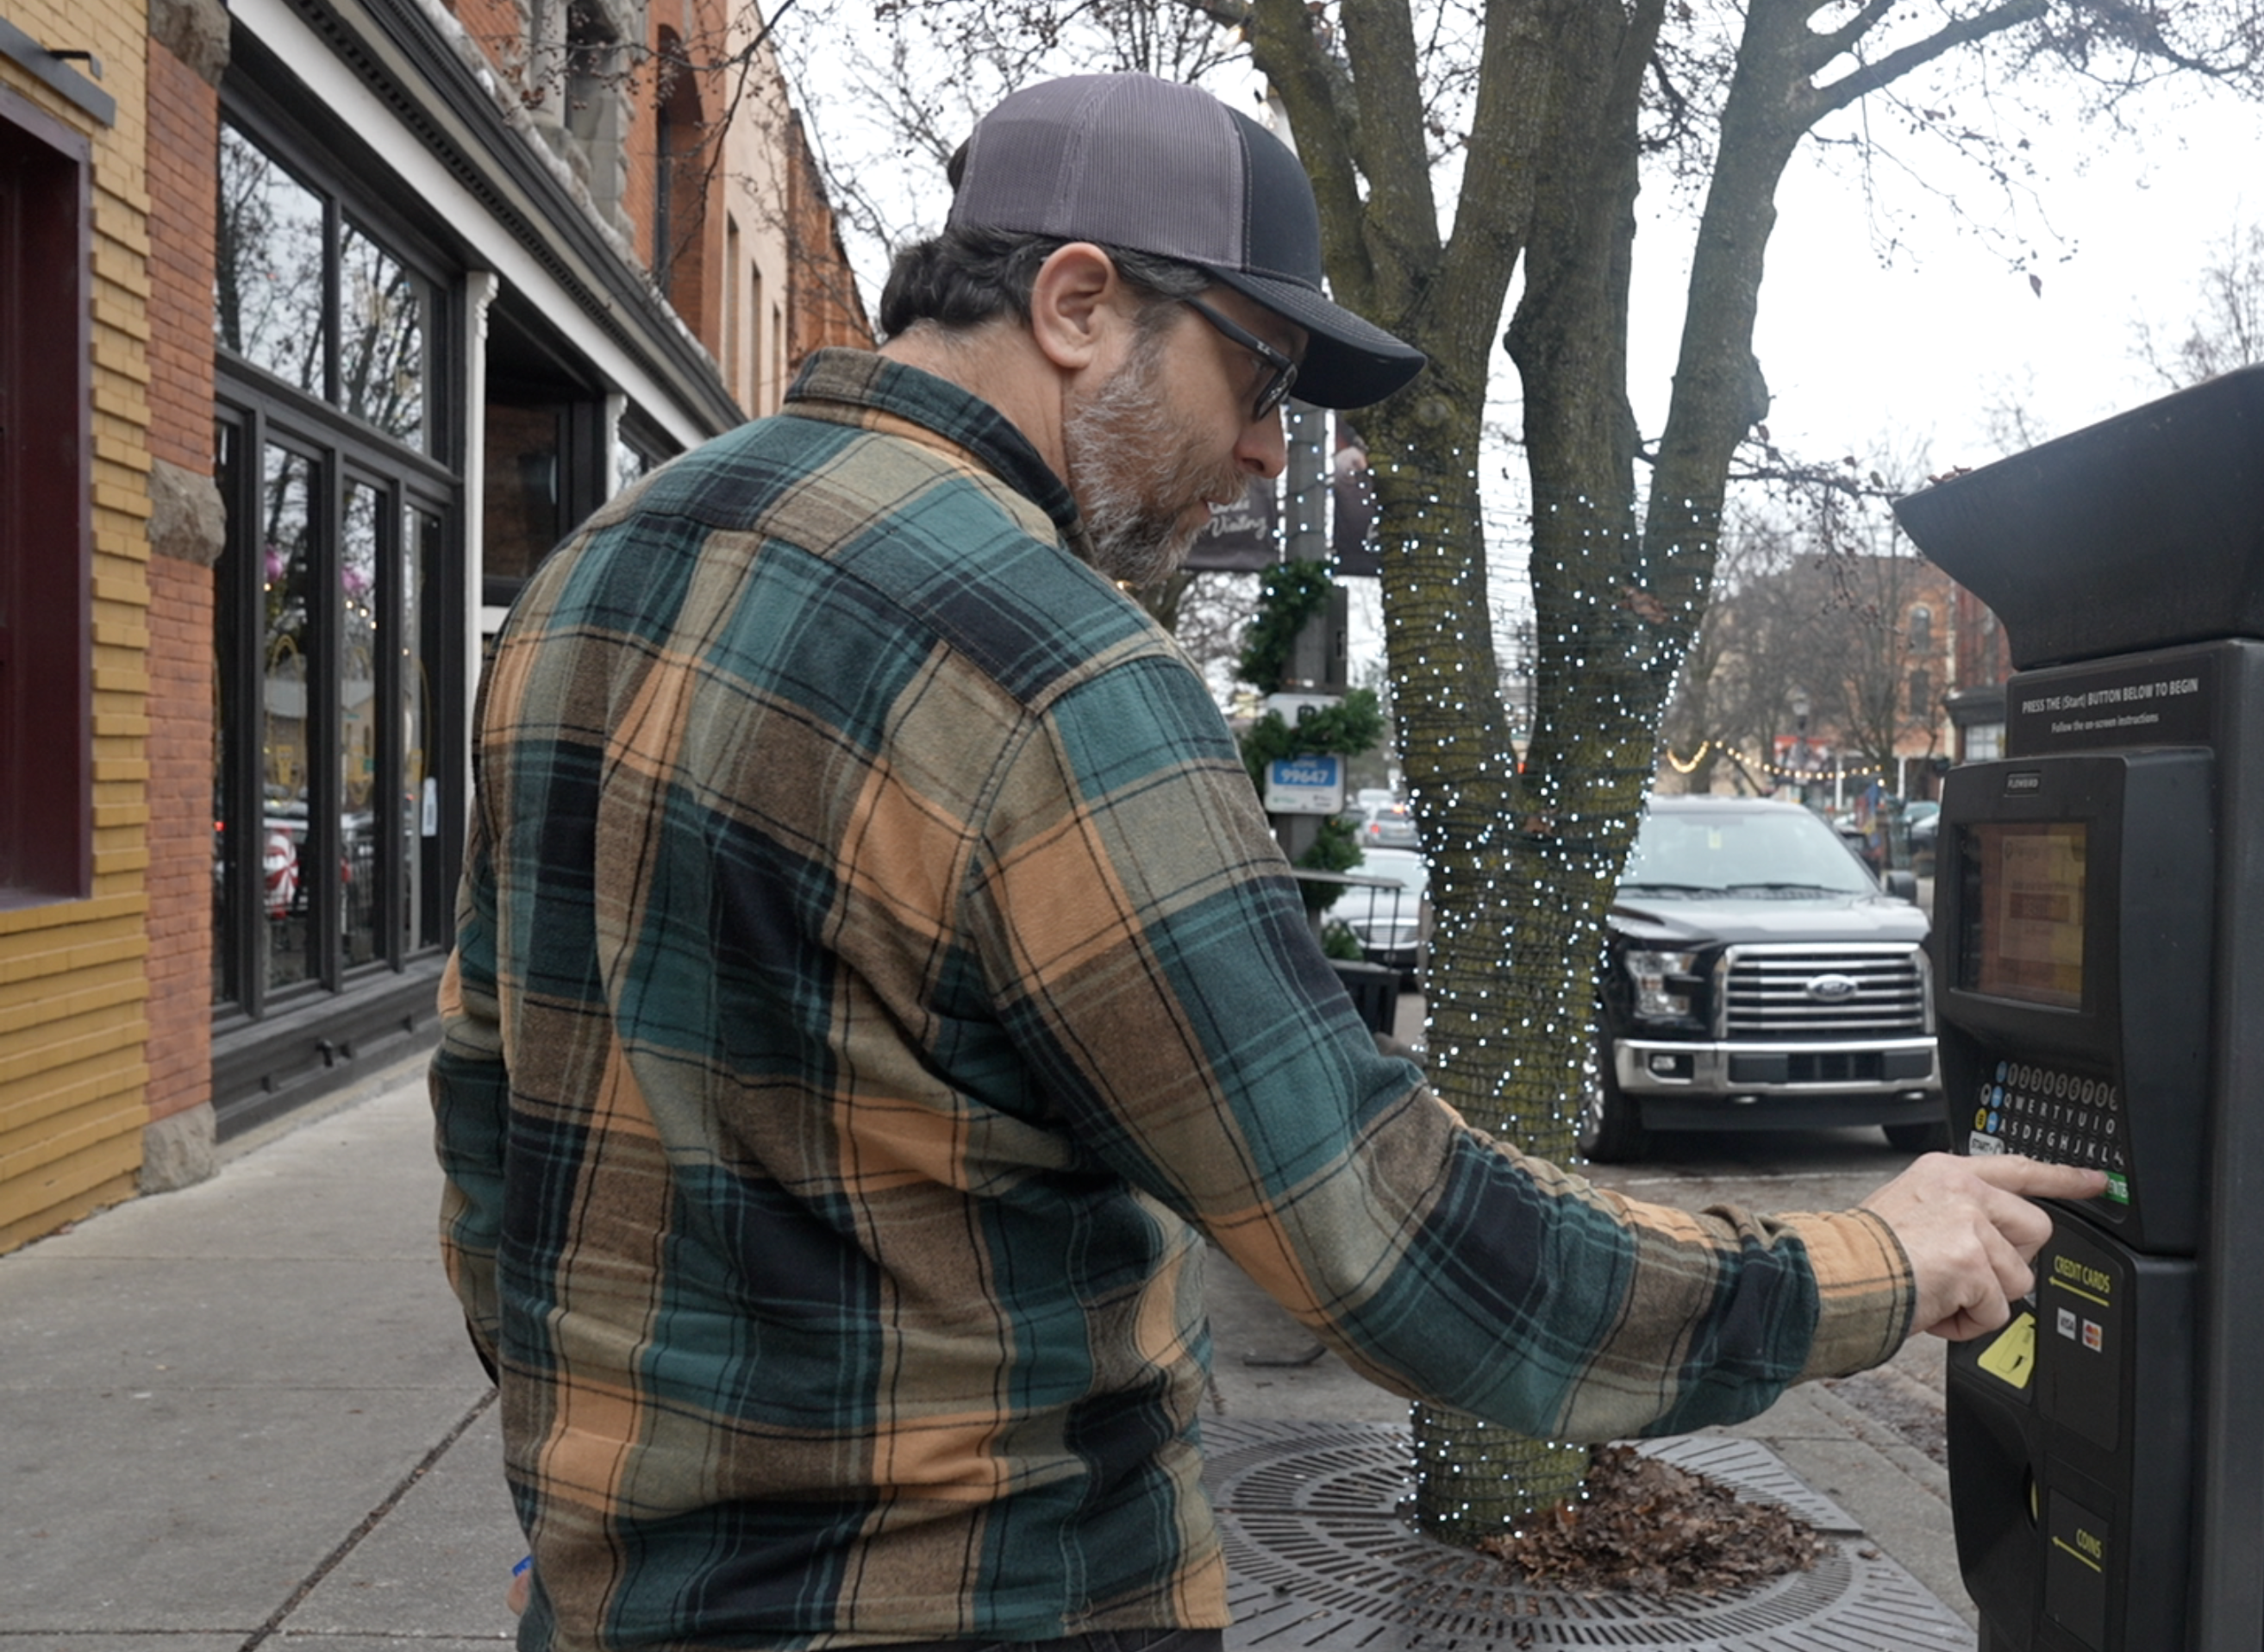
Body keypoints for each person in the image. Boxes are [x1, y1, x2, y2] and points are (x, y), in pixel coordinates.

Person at [430, 71, 2102, 1652]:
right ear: (1078, 305)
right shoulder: (1056, 669)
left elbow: (493, 1156)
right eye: (1257, 378)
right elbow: (1394, 1238)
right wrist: (1864, 1265)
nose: (1265, 452)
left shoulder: (596, 579)